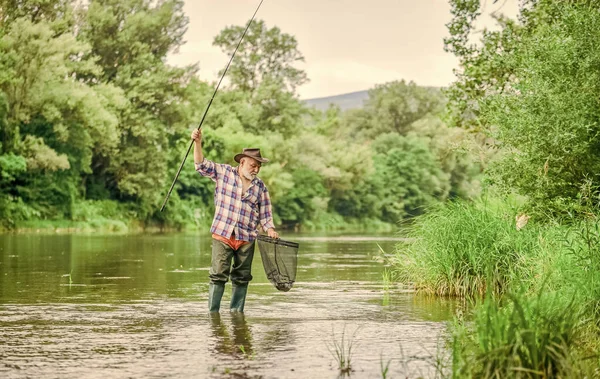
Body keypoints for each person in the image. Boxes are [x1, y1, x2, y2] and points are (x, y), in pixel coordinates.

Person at [191, 129, 279, 313]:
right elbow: (200, 165)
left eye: (258, 167)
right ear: (242, 162)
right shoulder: (224, 172)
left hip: (246, 238)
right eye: (253, 165)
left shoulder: (260, 187)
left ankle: (236, 315)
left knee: (242, 277)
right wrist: (197, 143)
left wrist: (270, 229)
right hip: (223, 234)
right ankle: (213, 314)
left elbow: (266, 215)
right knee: (218, 275)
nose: (256, 169)